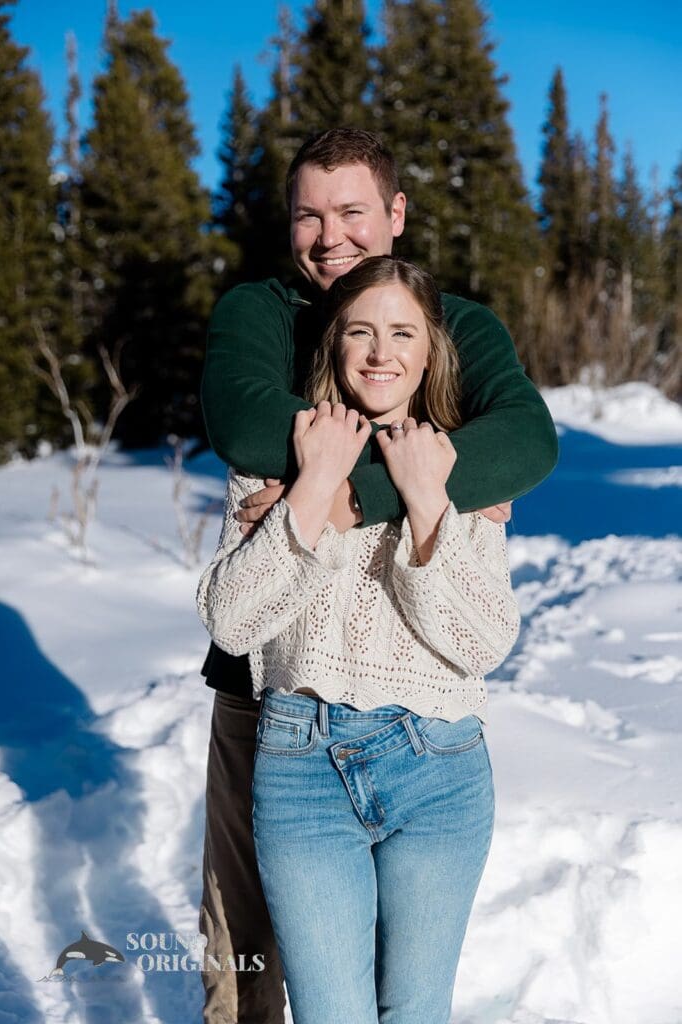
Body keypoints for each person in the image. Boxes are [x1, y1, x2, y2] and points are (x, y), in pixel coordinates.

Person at [198, 127, 558, 1024]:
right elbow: (242, 425)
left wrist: (374, 491)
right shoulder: (260, 313)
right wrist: (352, 485)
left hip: (430, 732)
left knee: (410, 1001)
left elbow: (524, 440)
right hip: (273, 709)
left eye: (353, 212)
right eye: (309, 216)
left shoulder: (456, 324)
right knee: (242, 973)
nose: (331, 238)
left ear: (396, 213)